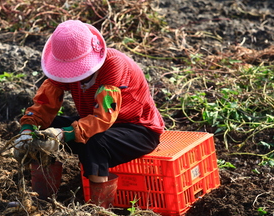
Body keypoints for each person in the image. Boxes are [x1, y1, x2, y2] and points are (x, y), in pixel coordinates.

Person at [14, 20, 164, 205]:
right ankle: (42, 199)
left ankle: (98, 210)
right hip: (94, 122)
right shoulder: (65, 72)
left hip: (138, 129)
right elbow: (44, 103)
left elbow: (104, 117)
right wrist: (28, 131)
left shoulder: (113, 66)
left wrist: (64, 135)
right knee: (45, 131)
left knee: (95, 143)